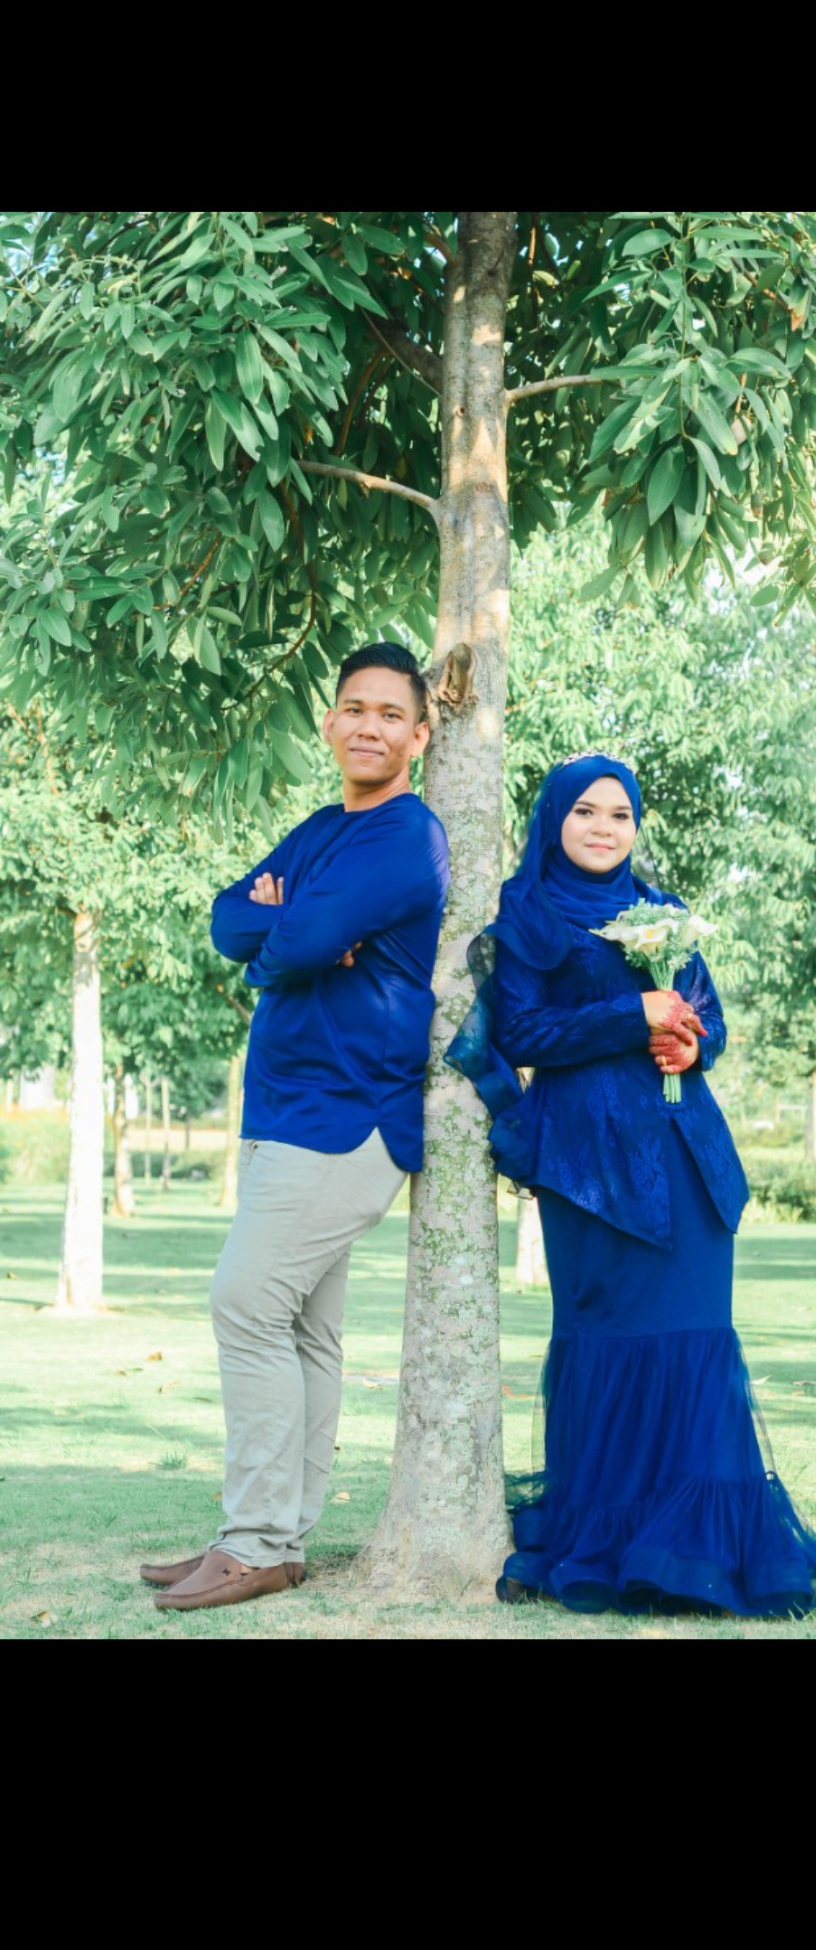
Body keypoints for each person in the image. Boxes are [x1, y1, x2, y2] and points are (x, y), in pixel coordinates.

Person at [447, 752, 816, 1618]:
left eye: (619, 814)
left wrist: (692, 1042)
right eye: (585, 811)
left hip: (685, 1159)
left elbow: (710, 1020)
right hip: (589, 1170)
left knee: (696, 1340)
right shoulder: (527, 915)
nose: (603, 828)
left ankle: (692, 1550)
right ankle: (608, 1540)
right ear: (553, 819)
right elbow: (522, 1031)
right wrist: (632, 1015)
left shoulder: (662, 913)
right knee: (605, 1339)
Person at [141, 643, 449, 1612]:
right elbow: (225, 921)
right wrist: (292, 934)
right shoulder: (321, 828)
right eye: (354, 707)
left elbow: (296, 937)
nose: (369, 726)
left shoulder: (408, 835)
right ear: (330, 721)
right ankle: (278, 1537)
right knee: (306, 1331)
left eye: (391, 714)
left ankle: (256, 1540)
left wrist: (290, 934)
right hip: (288, 1109)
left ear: (420, 735)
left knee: (244, 1303)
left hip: (345, 1114)